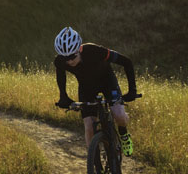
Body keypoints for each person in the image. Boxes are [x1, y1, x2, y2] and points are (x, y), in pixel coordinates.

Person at [53, 26, 138, 155]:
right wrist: (63, 96)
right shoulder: (60, 61)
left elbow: (127, 62)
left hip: (107, 82)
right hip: (87, 88)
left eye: (71, 56)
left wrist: (132, 90)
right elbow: (61, 78)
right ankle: (95, 163)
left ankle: (124, 135)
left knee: (119, 115)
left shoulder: (94, 51)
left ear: (79, 49)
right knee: (89, 126)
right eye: (65, 58)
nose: (69, 61)